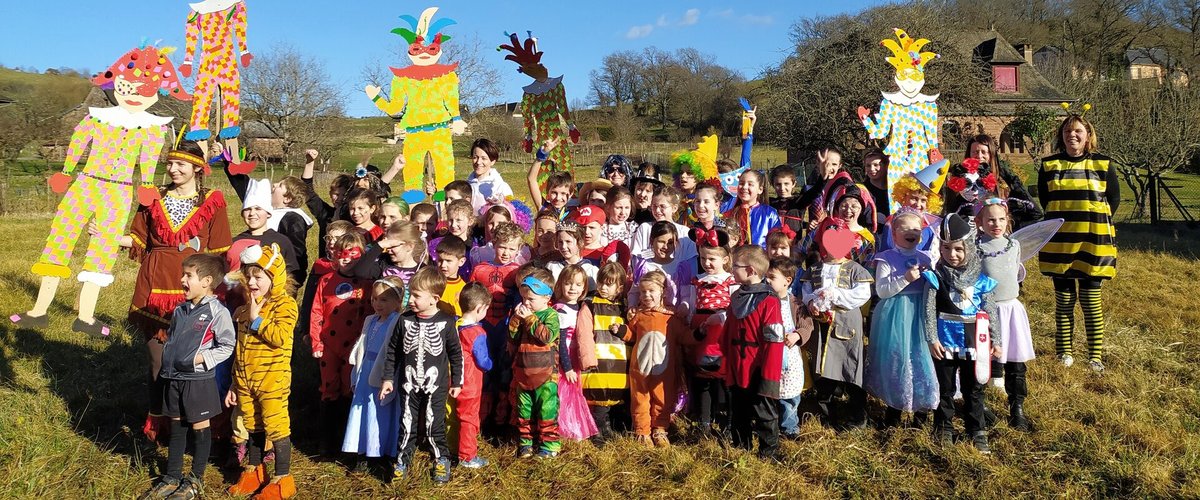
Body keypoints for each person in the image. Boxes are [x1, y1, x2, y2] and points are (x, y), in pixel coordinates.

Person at [118, 141, 233, 442]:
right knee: (158, 361)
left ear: (198, 167)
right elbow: (138, 239)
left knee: (192, 361)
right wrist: (106, 236)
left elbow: (221, 250)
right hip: (154, 287)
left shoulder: (213, 200)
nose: (173, 169)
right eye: (169, 163)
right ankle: (159, 425)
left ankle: (195, 424)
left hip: (196, 290)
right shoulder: (152, 197)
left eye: (181, 164)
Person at [142, 254, 235, 500]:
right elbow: (173, 338)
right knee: (176, 425)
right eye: (183, 274)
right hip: (173, 379)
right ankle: (171, 477)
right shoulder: (181, 309)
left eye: (188, 275)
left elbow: (227, 345)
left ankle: (195, 480)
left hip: (198, 381)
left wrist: (202, 359)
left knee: (199, 427)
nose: (182, 279)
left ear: (206, 281)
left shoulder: (218, 312)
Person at [1037, 113, 1118, 372]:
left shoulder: (1104, 164)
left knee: (1091, 301)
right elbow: (1045, 201)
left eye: (1078, 131)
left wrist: (1091, 221)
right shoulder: (1049, 165)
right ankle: (1064, 353)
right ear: (1061, 137)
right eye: (1067, 132)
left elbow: (1113, 201)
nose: (1072, 135)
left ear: (1088, 135)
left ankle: (1095, 356)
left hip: (1093, 243)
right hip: (1060, 244)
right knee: (1064, 301)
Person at [226, 244, 299, 499]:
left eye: (259, 276)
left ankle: (282, 479)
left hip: (272, 380)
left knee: (276, 426)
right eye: (248, 276)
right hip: (246, 380)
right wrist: (234, 383)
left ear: (274, 276)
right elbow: (240, 347)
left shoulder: (285, 305)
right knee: (252, 424)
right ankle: (254, 470)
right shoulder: (246, 307)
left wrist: (258, 320)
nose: (252, 281)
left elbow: (280, 336)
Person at [925, 214, 1000, 454]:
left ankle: (976, 429)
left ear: (967, 247)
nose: (952, 255)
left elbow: (991, 310)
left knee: (974, 388)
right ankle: (944, 427)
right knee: (945, 388)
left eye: (958, 249)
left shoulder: (980, 280)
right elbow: (928, 311)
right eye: (946, 249)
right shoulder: (936, 278)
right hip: (944, 342)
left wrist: (996, 340)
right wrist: (932, 338)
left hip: (973, 342)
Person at [380, 267, 463, 483]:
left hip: (436, 384)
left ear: (434, 299)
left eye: (416, 295)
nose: (411, 299)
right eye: (410, 294)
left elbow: (456, 353)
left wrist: (458, 381)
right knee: (406, 422)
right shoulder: (404, 320)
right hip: (408, 383)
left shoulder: (446, 322)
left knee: (433, 422)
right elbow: (393, 351)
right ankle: (402, 461)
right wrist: (388, 378)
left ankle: (441, 458)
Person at [863, 210, 939, 427]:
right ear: (894, 233)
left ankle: (922, 411)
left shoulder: (926, 258)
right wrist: (905, 279)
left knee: (921, 358)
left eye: (916, 229)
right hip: (895, 315)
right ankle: (894, 409)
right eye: (904, 229)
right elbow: (883, 290)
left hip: (920, 314)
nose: (911, 232)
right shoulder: (885, 258)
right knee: (897, 359)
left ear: (922, 234)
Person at [801, 217, 873, 430]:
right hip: (821, 327)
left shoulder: (855, 269)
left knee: (850, 368)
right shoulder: (814, 269)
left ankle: (857, 418)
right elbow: (805, 292)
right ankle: (826, 417)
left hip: (846, 326)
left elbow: (862, 294)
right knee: (823, 371)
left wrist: (835, 295)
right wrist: (812, 301)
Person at [976, 200, 1040, 431]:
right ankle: (979, 405)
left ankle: (1017, 408)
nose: (996, 224)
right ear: (980, 222)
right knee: (982, 360)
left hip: (1011, 309)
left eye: (1001, 219)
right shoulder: (975, 247)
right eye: (991, 219)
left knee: (1016, 360)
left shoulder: (1013, 245)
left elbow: (1014, 272)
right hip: (986, 311)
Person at [309, 231, 371, 455]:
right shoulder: (326, 281)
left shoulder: (366, 284)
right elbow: (316, 312)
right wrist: (316, 342)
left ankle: (348, 440)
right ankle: (326, 440)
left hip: (355, 347)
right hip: (329, 345)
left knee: (350, 388)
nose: (346, 258)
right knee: (328, 388)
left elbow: (371, 314)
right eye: (341, 254)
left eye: (352, 254)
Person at [722, 246, 786, 460]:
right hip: (738, 362)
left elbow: (774, 340)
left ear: (750, 270)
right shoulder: (738, 295)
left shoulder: (769, 301)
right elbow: (729, 329)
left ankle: (769, 453)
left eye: (735, 266)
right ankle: (742, 446)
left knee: (764, 411)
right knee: (739, 407)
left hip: (759, 366)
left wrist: (769, 375)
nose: (731, 270)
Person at [342, 277, 404, 471]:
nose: (377, 304)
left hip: (382, 374)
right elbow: (361, 347)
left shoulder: (396, 321)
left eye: (383, 300)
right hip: (365, 370)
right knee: (362, 412)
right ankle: (361, 451)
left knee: (379, 413)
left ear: (398, 301)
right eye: (374, 299)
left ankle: (378, 453)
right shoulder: (371, 320)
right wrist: (355, 374)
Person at [469, 222, 524, 435]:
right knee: (482, 371)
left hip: (506, 328)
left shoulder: (518, 272)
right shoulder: (480, 269)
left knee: (503, 373)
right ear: (494, 244)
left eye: (512, 248)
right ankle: (480, 419)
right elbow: (469, 298)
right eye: (502, 247)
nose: (506, 252)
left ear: (519, 250)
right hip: (482, 327)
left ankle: (500, 421)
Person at [682, 226, 735, 438]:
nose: (707, 263)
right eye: (703, 258)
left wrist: (722, 317)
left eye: (712, 259)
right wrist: (687, 316)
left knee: (723, 377)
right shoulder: (698, 280)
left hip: (721, 333)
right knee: (702, 377)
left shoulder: (731, 281)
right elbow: (691, 303)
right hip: (701, 331)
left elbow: (735, 309)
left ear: (725, 259)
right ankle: (704, 421)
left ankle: (728, 422)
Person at [627, 270, 686, 447]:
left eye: (651, 291)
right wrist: (620, 330)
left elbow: (683, 336)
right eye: (643, 292)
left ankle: (660, 429)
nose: (646, 295)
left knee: (663, 397)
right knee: (640, 397)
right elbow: (631, 335)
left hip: (664, 368)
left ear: (663, 292)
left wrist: (699, 334)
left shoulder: (670, 318)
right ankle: (642, 431)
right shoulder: (638, 316)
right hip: (640, 367)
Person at [508, 269, 563, 458]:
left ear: (547, 297)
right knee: (524, 410)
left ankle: (549, 445)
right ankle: (526, 443)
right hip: (523, 372)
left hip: (546, 374)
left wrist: (529, 318)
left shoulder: (551, 315)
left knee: (546, 409)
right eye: (523, 298)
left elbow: (546, 337)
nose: (526, 303)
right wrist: (515, 321)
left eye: (531, 299)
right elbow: (513, 340)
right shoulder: (523, 315)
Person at [578, 262, 631, 444]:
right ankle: (597, 431)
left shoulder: (625, 306)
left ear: (620, 287)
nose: (603, 287)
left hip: (619, 362)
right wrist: (587, 359)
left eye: (609, 284)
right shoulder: (590, 304)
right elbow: (583, 334)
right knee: (599, 399)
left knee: (615, 397)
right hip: (598, 361)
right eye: (601, 282)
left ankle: (609, 427)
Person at [552, 265, 600, 441]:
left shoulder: (579, 307)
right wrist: (568, 367)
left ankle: (572, 428)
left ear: (584, 287)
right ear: (560, 285)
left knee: (574, 392)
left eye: (578, 285)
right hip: (565, 360)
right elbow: (561, 342)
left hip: (574, 357)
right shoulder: (561, 309)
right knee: (564, 394)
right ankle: (561, 428)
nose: (573, 288)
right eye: (568, 283)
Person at [450, 283, 493, 468]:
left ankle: (452, 446)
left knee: (453, 415)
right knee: (469, 418)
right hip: (470, 382)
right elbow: (483, 360)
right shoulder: (477, 332)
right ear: (479, 308)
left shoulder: (454, 324)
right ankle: (467, 456)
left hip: (452, 378)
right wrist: (491, 365)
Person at [767, 257, 810, 440]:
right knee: (770, 392)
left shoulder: (796, 304)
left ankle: (790, 427)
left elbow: (807, 325)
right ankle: (770, 424)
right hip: (770, 356)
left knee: (790, 397)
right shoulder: (764, 301)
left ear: (787, 280)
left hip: (789, 356)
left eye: (772, 277)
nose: (767, 281)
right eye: (766, 277)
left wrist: (798, 335)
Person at [231, 179, 301, 286]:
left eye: (258, 209)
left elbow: (292, 277)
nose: (252, 213)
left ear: (268, 213)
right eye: (248, 209)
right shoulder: (235, 242)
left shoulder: (281, 242)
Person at [965, 134, 1042, 229]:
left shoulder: (1003, 181)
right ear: (969, 154)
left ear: (991, 154)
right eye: (975, 152)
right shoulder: (961, 181)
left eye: (984, 152)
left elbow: (1036, 214)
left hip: (1001, 232)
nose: (979, 156)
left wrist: (1007, 175)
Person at [301, 149, 355, 259]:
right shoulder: (325, 214)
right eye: (336, 194)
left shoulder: (355, 217)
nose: (339, 198)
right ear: (330, 194)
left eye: (343, 195)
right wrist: (310, 162)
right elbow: (306, 191)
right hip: (325, 267)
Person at [723, 169, 782, 248]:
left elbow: (777, 241)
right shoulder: (729, 214)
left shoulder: (770, 213)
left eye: (750, 184)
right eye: (741, 183)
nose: (744, 187)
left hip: (762, 258)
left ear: (760, 190)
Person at [529, 138, 576, 219]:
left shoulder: (575, 212)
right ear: (548, 192)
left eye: (563, 193)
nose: (558, 198)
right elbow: (531, 179)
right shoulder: (544, 208)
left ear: (571, 194)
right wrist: (542, 155)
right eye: (554, 192)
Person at [546, 220, 599, 291]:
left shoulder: (590, 270)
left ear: (580, 242)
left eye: (568, 242)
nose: (564, 246)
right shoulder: (552, 267)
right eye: (560, 242)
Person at [466, 138, 513, 212]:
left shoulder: (500, 187)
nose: (478, 162)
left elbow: (510, 213)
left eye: (483, 158)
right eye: (475, 157)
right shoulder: (466, 185)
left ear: (492, 161)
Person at [434, 236, 469, 316]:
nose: (443, 265)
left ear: (461, 261)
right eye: (440, 260)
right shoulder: (431, 283)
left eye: (448, 261)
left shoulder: (464, 290)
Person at [769, 165, 805, 241]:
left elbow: (815, 191)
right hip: (773, 247)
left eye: (786, 184)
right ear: (772, 184)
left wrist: (823, 178)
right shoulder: (769, 203)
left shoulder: (799, 202)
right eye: (778, 184)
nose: (782, 188)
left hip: (794, 248)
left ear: (794, 184)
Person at [862, 149, 891, 222]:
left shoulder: (895, 189)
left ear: (886, 166)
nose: (872, 169)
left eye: (876, 165)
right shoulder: (862, 190)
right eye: (868, 165)